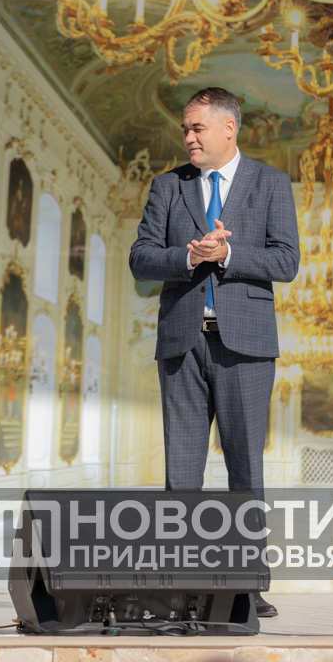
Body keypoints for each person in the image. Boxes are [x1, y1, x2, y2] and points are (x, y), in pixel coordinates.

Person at [129, 87, 299, 619]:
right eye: (185, 129)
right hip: (181, 343)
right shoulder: (168, 185)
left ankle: (246, 587)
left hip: (245, 346)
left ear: (229, 128)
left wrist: (226, 253)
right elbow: (140, 258)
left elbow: (286, 261)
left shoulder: (271, 183)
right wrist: (187, 257)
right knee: (182, 474)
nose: (188, 137)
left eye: (197, 128)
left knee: (245, 470)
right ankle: (179, 585)